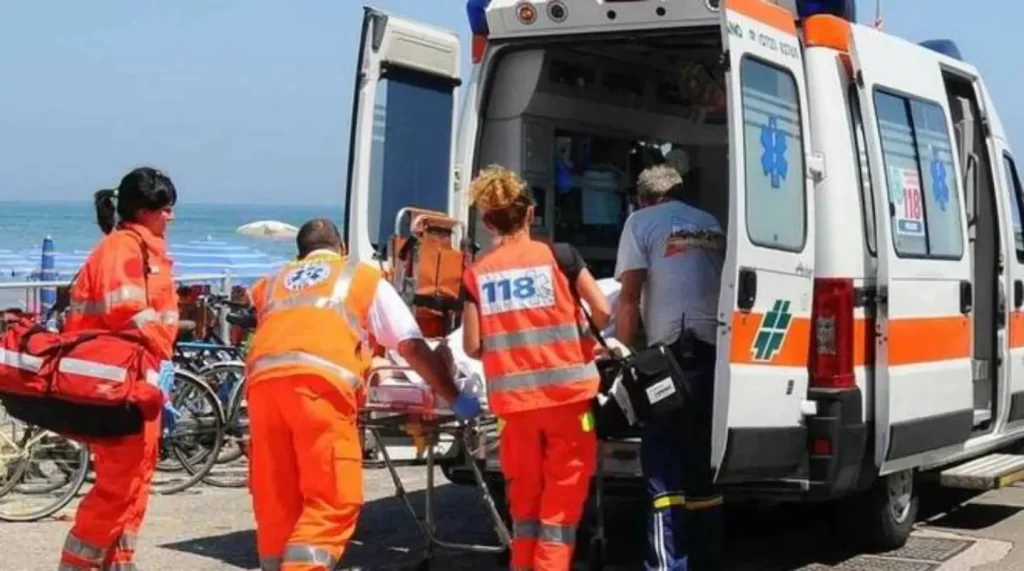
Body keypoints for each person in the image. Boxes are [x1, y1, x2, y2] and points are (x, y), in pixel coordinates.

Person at [244, 218, 479, 570]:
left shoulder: (273, 282)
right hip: (319, 391)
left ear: (301, 254)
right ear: (341, 249)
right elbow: (412, 346)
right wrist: (453, 395)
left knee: (278, 499)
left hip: (262, 391)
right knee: (332, 499)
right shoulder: (358, 277)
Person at [461, 165, 611, 571]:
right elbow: (602, 308)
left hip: (514, 409)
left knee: (524, 508)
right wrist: (581, 339)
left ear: (489, 222)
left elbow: (472, 345)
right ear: (530, 214)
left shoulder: (477, 275)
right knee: (559, 512)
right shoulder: (558, 256)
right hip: (568, 401)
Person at [58, 167, 180, 570]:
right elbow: (126, 310)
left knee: (133, 486)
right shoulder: (124, 249)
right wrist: (165, 352)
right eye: (165, 209)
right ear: (144, 211)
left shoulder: (137, 248)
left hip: (136, 386)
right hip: (119, 386)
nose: (171, 217)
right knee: (118, 488)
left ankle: (119, 563)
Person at [615, 164, 726, 570]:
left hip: (671, 360)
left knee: (663, 470)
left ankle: (665, 566)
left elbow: (628, 297)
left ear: (644, 198)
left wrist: (622, 353)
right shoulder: (710, 223)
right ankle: (706, 559)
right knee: (701, 468)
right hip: (715, 354)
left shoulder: (640, 222)